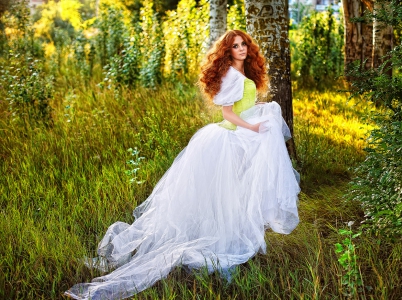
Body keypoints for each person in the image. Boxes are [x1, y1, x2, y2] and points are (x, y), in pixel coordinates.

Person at [65, 30, 300, 300]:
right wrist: (254, 126)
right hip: (229, 139)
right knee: (223, 195)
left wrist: (261, 110)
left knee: (232, 193)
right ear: (227, 51)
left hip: (238, 137)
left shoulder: (243, 73)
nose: (241, 49)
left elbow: (242, 105)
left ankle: (226, 238)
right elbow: (227, 113)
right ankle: (216, 244)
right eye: (235, 46)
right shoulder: (232, 76)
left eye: (243, 44)